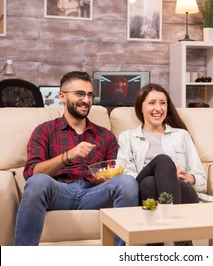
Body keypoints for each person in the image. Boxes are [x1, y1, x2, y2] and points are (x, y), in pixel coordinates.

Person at [14, 71, 139, 246]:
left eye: (89, 95)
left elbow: (113, 174)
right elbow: (31, 173)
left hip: (93, 193)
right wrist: (67, 156)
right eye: (80, 94)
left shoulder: (105, 136)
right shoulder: (45, 130)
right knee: (38, 182)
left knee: (127, 182)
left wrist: (106, 177)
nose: (86, 100)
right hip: (59, 192)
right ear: (62, 97)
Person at [116, 83, 206, 245]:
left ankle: (154, 249)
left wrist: (188, 177)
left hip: (181, 190)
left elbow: (200, 178)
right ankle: (181, 243)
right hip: (141, 188)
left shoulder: (181, 135)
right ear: (140, 107)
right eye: (152, 103)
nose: (158, 108)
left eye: (163, 103)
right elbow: (126, 174)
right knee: (162, 162)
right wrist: (160, 172)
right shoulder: (127, 137)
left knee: (154, 183)